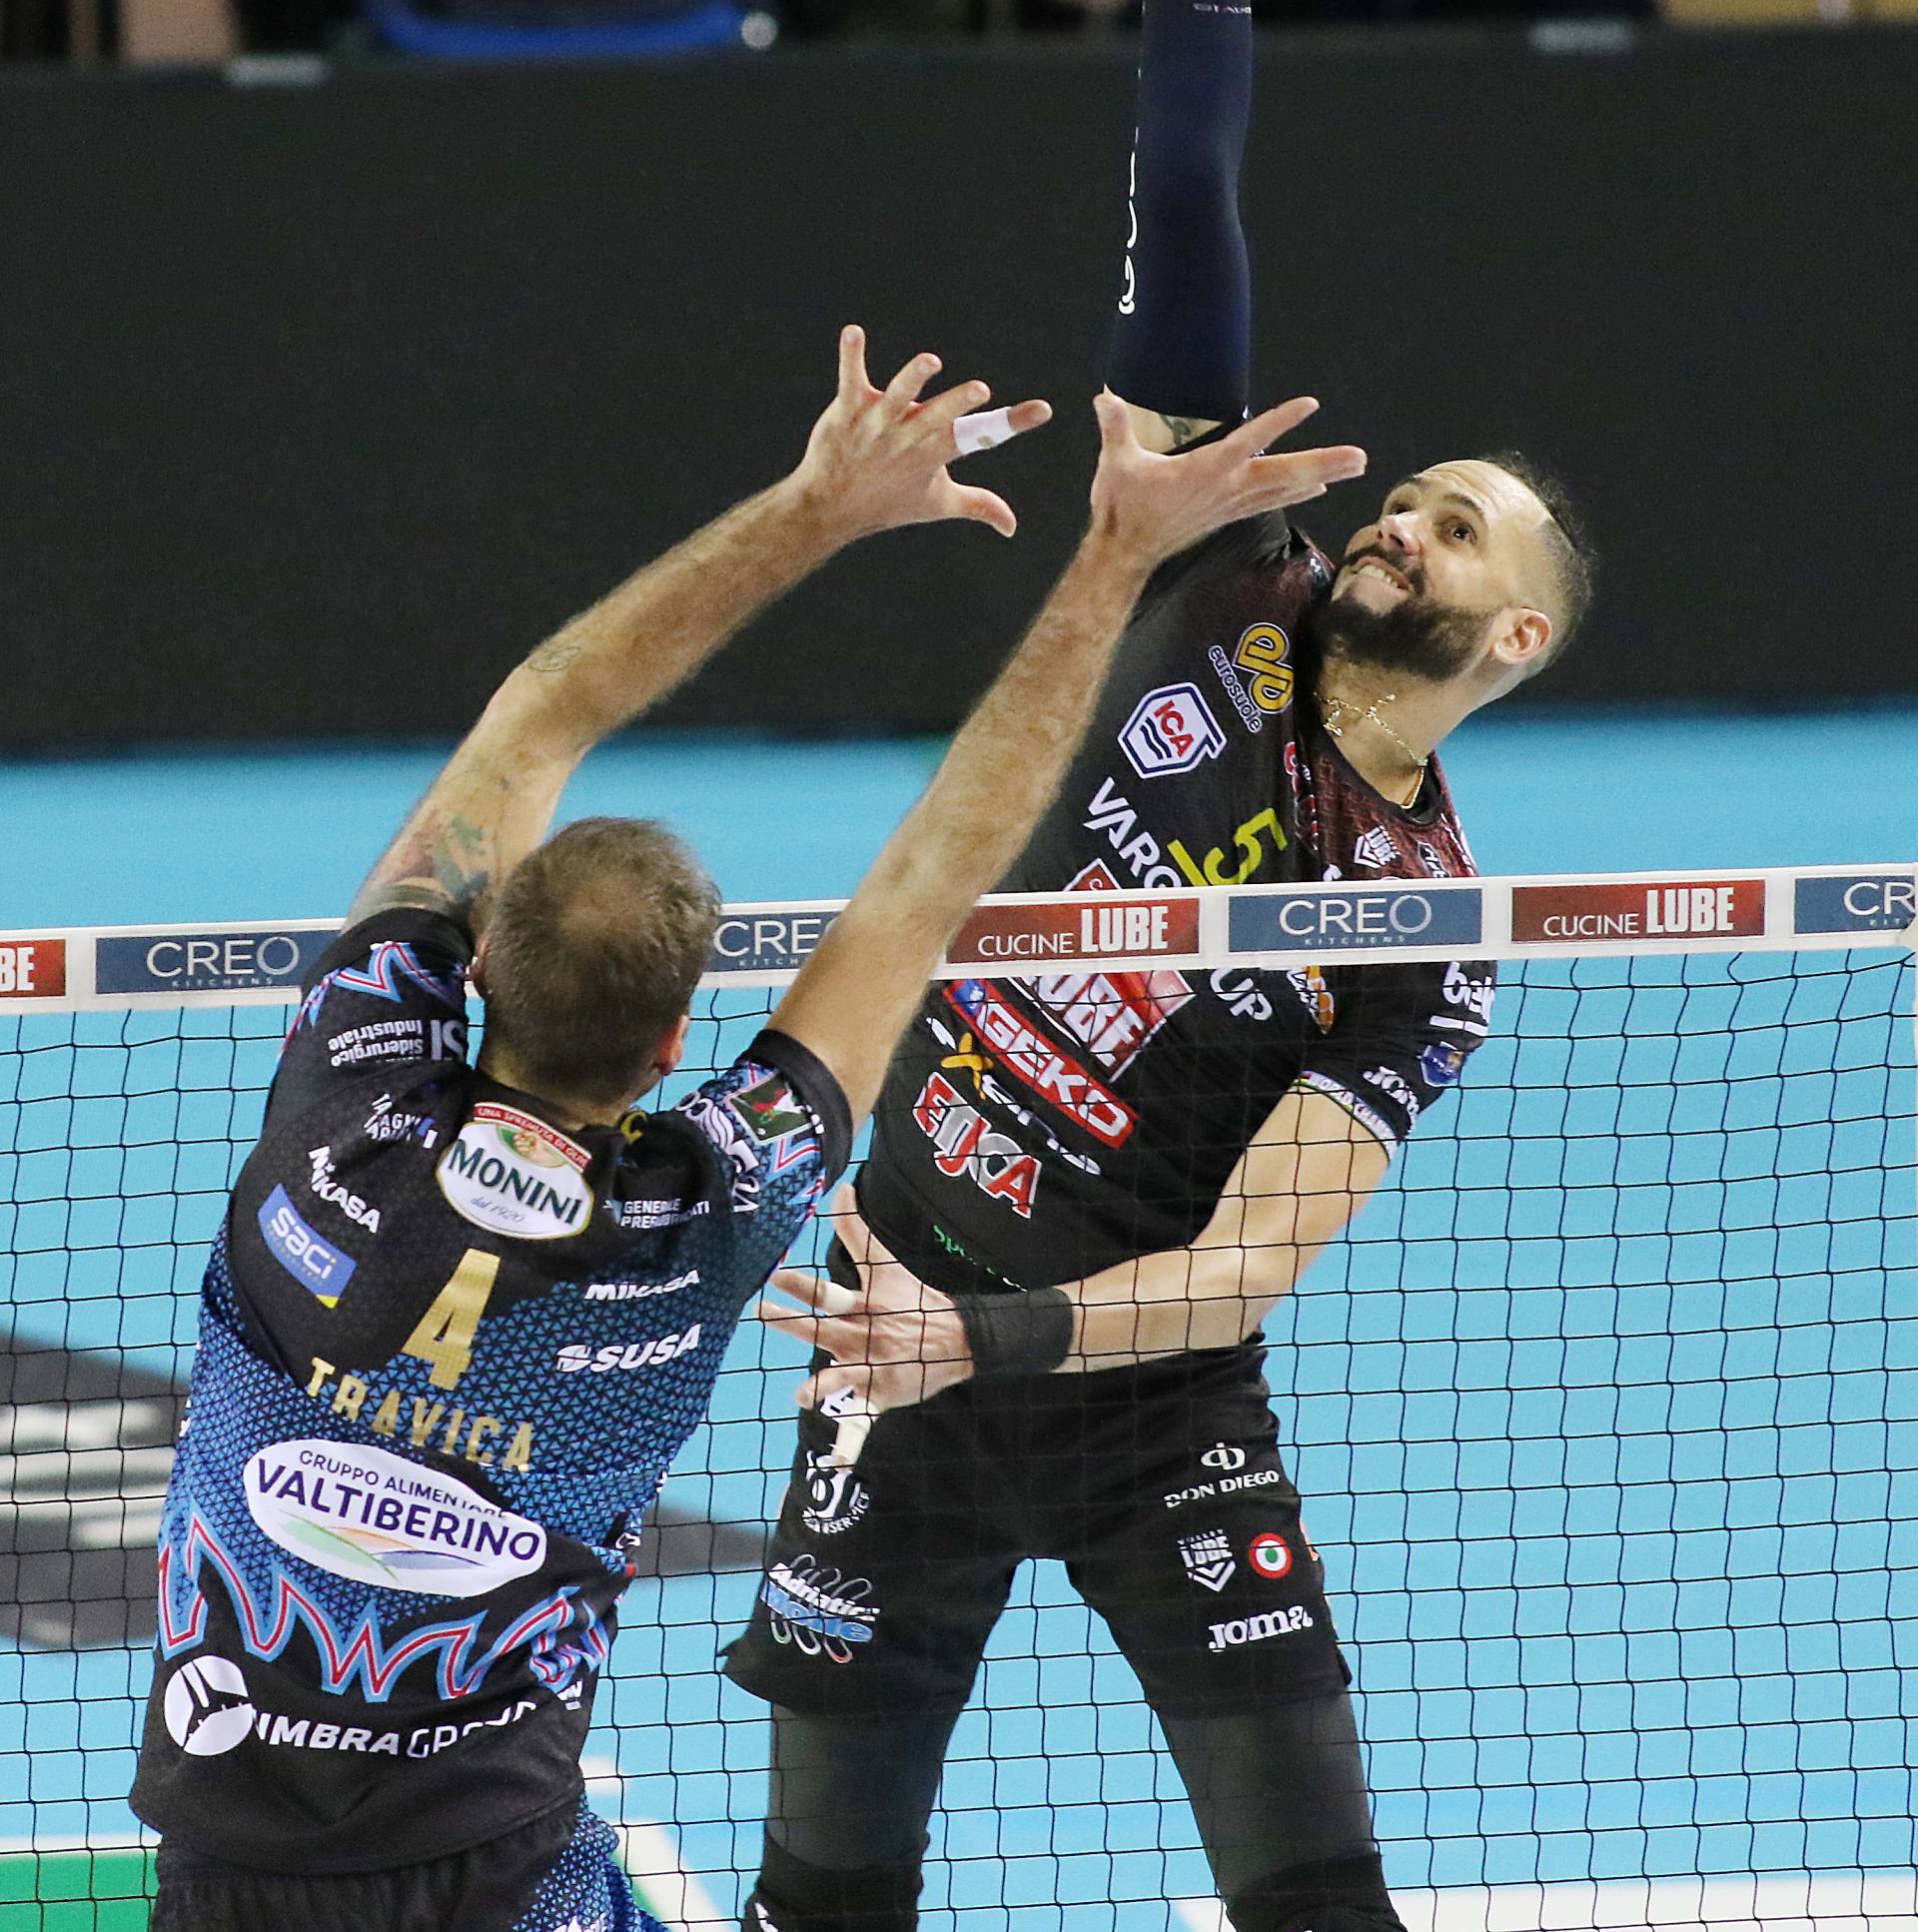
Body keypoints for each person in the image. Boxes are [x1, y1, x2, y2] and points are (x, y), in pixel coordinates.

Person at [130, 326, 1363, 1932]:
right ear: (673, 1046)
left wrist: (815, 504)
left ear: (474, 970)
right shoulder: (713, 1202)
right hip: (517, 1886)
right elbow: (931, 880)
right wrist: (1117, 555)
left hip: (229, 1876)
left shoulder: (342, 1089)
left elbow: (541, 714)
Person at [728, 0, 1596, 1932]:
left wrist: (996, 1346)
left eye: (1457, 530)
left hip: (1146, 1403)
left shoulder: (1424, 933)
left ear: (1512, 636)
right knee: (822, 1904)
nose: (1401, 520)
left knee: (1323, 1907)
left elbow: (1244, 1267)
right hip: (893, 1324)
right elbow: (1189, 169)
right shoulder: (1222, 581)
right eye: (1410, 495)